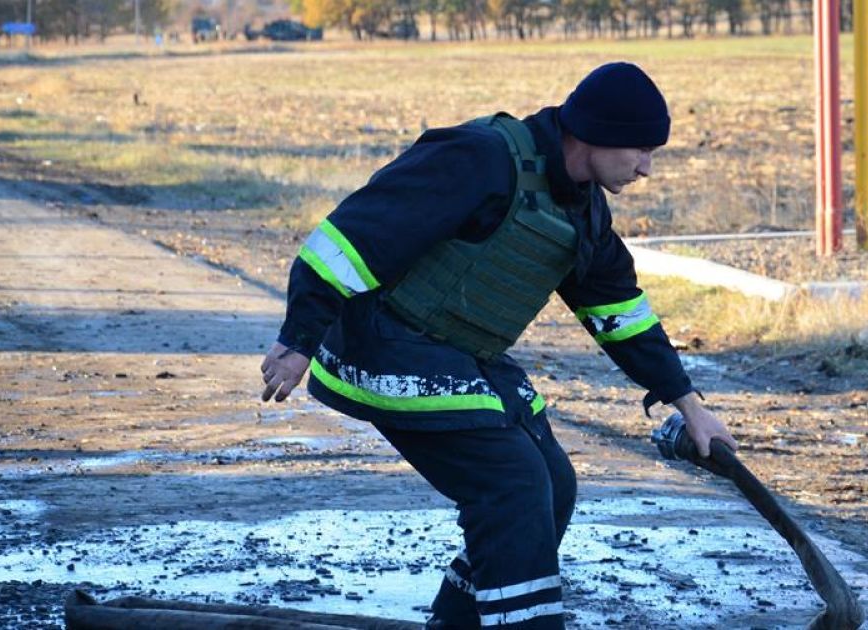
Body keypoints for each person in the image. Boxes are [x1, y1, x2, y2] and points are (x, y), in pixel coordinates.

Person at [259, 61, 737, 629]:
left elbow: (618, 311)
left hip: (457, 355)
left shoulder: (583, 206)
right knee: (512, 486)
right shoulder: (479, 158)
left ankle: (459, 621)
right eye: (640, 150)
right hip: (380, 346)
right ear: (593, 132)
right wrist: (299, 339)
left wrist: (689, 403)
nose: (647, 168)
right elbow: (349, 238)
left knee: (553, 485)